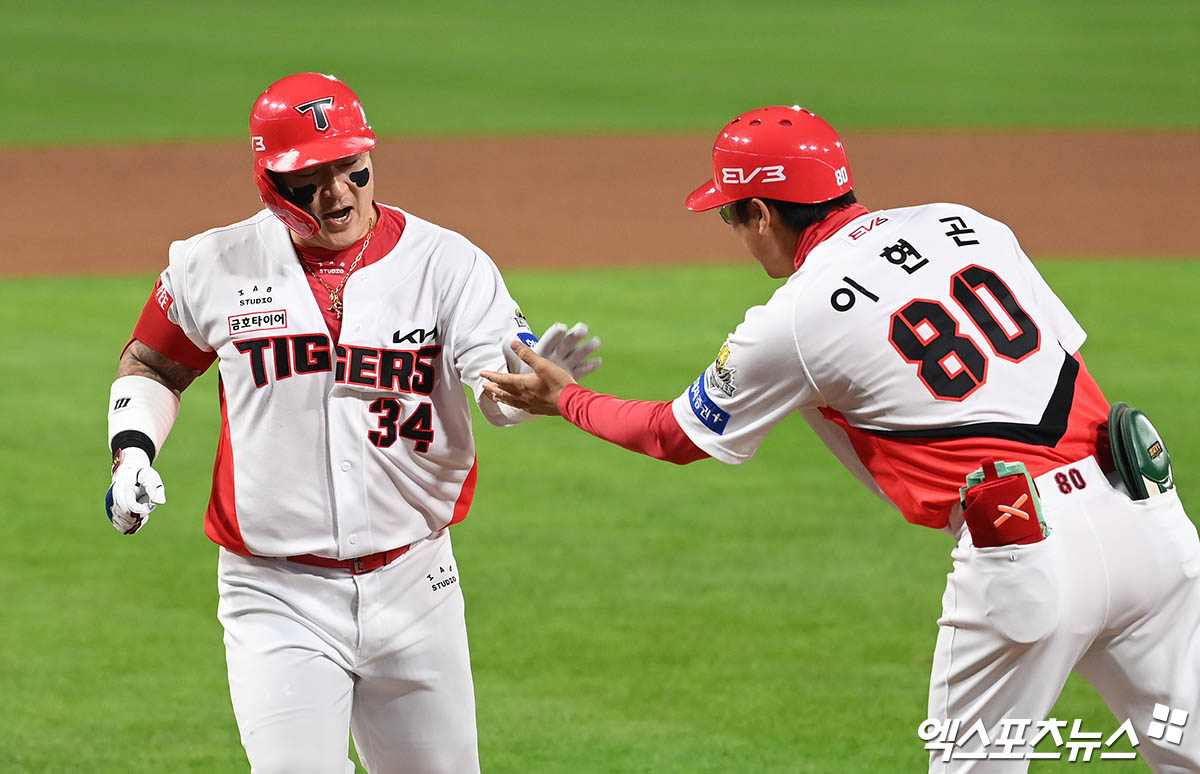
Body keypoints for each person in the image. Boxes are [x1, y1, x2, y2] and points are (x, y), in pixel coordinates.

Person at [481, 105, 1200, 773]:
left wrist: (564, 398)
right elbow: (1059, 360)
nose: (733, 231)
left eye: (730, 215)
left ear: (759, 212)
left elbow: (675, 434)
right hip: (1150, 522)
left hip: (1026, 551)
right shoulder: (967, 223)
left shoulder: (794, 316)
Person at [102, 72, 599, 774]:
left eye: (352, 169)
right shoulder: (209, 264)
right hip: (275, 593)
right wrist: (131, 451)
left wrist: (528, 387)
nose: (338, 193)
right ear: (269, 178)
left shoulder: (447, 264)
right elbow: (151, 366)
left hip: (416, 582)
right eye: (310, 179)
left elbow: (496, 379)